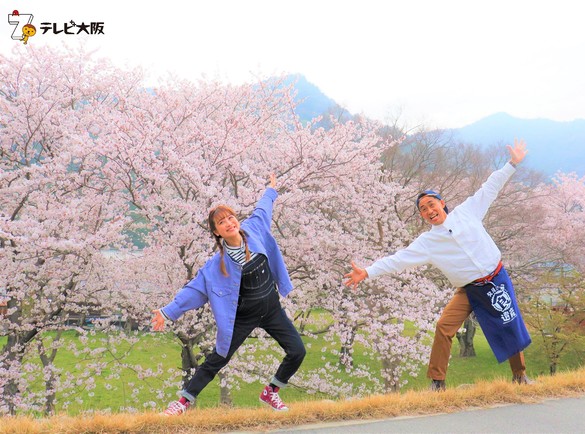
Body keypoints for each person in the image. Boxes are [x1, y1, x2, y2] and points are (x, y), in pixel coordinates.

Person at [344, 139, 533, 391]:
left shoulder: (468, 211)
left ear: (442, 203)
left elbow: (490, 187)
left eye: (431, 204)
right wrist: (367, 271)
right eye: (423, 209)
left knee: (508, 322)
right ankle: (437, 382)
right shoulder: (428, 242)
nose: (429, 210)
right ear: (423, 216)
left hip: (496, 278)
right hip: (469, 290)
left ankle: (520, 376)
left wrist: (512, 164)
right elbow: (398, 259)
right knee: (444, 326)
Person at [152, 174, 306, 414]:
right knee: (217, 359)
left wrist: (271, 190)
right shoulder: (215, 266)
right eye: (222, 222)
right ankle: (182, 403)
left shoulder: (254, 229)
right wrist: (167, 311)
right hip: (243, 317)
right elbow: (192, 291)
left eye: (231, 218)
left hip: (272, 309)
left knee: (298, 351)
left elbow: (263, 208)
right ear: (217, 232)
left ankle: (271, 391)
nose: (229, 223)